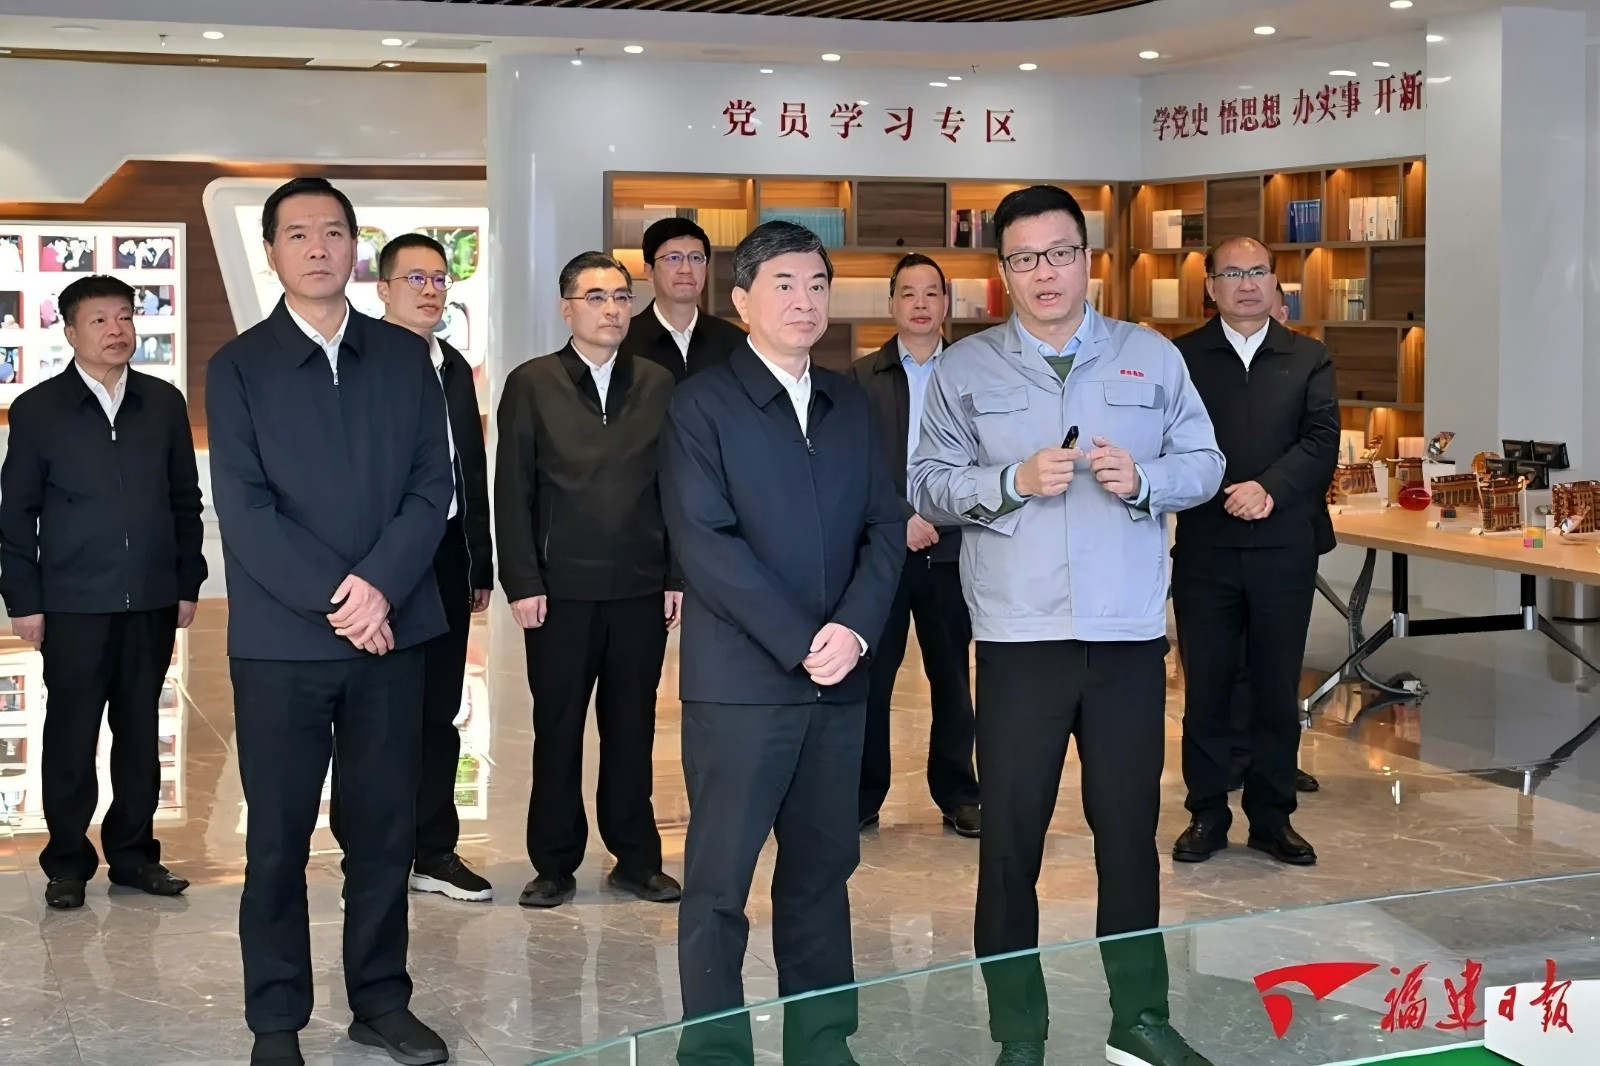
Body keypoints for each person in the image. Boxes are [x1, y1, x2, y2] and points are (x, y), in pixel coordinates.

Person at [910, 185, 1223, 1066]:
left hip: (1126, 638)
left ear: (1087, 260)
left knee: (1128, 836)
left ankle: (1140, 1019)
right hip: (1020, 639)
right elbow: (927, 481)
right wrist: (1008, 482)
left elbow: (1205, 461)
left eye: (1059, 254)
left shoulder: (1150, 356)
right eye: (1024, 258)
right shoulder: (965, 369)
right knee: (1009, 844)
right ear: (1002, 270)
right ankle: (1019, 1031)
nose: (1044, 273)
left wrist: (1149, 480)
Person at [206, 176, 453, 1066]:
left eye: (335, 232)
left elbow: (432, 486)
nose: (318, 247)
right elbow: (245, 510)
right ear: (272, 251)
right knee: (276, 838)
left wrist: (379, 587)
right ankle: (276, 1020)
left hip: (392, 634)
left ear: (356, 248)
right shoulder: (239, 366)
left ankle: (380, 1002)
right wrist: (345, 600)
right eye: (299, 233)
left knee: (384, 833)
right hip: (283, 642)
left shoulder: (404, 357)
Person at [661, 221, 904, 1059]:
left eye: (818, 285)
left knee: (822, 877)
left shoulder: (850, 401)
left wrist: (855, 631)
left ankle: (823, 1042)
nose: (806, 301)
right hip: (741, 685)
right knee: (719, 886)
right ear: (742, 300)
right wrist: (802, 640)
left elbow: (885, 527)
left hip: (838, 682)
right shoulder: (701, 405)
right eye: (785, 285)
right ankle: (715, 1052)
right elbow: (706, 543)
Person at [0, 273, 204, 911]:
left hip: (151, 599)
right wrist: (25, 599)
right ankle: (66, 862)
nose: (117, 330)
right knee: (71, 735)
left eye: (124, 317)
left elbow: (184, 500)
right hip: (72, 603)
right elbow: (15, 515)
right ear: (69, 332)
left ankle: (135, 856)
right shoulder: (37, 410)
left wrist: (186, 580)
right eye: (99, 320)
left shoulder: (162, 403)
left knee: (141, 731)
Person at [495, 250, 682, 909]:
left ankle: (636, 858)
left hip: (639, 589)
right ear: (566, 307)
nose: (611, 309)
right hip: (560, 593)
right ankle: (553, 863)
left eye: (621, 296)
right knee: (559, 730)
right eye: (595, 297)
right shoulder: (532, 383)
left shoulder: (658, 383)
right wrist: (522, 580)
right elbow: (512, 489)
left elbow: (675, 486)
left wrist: (677, 573)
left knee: (633, 729)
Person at [326, 233, 496, 903]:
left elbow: (468, 471)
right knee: (371, 715)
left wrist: (478, 559)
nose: (430, 290)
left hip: (446, 555)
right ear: (383, 290)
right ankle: (366, 854)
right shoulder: (359, 361)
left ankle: (434, 848)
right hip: (381, 559)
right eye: (415, 278)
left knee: (437, 710)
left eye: (439, 279)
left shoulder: (451, 366)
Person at [1169, 237, 1338, 869]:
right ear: (1210, 286)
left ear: (1275, 282)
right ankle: (1207, 813)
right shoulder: (1181, 357)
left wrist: (1269, 489)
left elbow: (1321, 440)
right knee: (1207, 687)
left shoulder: (1308, 355)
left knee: (1275, 686)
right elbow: (1167, 439)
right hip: (1206, 546)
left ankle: (1272, 818)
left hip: (1282, 547)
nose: (1247, 284)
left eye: (1258, 272)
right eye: (1233, 273)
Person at [851, 252, 980, 838]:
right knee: (870, 681)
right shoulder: (860, 379)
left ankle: (959, 794)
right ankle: (861, 795)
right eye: (908, 293)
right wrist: (901, 517)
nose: (921, 304)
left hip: (952, 552)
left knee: (952, 679)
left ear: (946, 303)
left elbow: (985, 461)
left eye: (932, 293)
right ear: (891, 304)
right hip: (881, 550)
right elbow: (852, 467)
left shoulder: (974, 373)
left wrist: (939, 517)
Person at [619, 216, 747, 381]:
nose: (686, 269)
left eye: (696, 258)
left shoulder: (736, 342)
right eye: (673, 258)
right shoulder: (622, 340)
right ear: (649, 272)